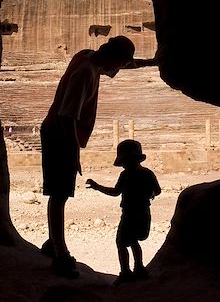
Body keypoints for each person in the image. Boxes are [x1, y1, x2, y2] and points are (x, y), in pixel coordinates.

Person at [40, 35, 142, 278]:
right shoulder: (86, 72)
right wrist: (74, 152)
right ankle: (60, 252)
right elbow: (67, 116)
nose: (117, 71)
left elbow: (125, 64)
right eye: (119, 65)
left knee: (59, 191)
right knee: (60, 192)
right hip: (60, 132)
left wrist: (150, 62)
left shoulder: (87, 55)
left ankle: (52, 241)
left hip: (57, 129)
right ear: (112, 59)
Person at [86, 139, 161, 285]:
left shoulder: (125, 175)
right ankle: (139, 268)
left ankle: (126, 272)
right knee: (133, 242)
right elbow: (157, 191)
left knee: (121, 242)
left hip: (129, 214)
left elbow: (115, 192)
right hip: (144, 212)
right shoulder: (148, 173)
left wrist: (97, 187)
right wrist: (148, 194)